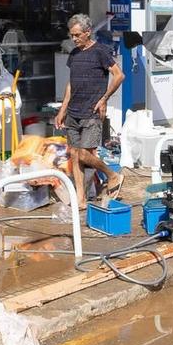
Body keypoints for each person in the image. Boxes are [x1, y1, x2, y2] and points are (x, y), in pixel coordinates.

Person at [55, 13, 122, 206]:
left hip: (91, 113)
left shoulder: (101, 51)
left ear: (88, 32)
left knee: (85, 154)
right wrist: (62, 110)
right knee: (75, 156)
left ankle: (112, 174)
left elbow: (119, 75)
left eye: (77, 35)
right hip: (73, 112)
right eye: (72, 35)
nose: (74, 39)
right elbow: (71, 84)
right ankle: (81, 198)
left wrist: (104, 99)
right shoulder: (74, 54)